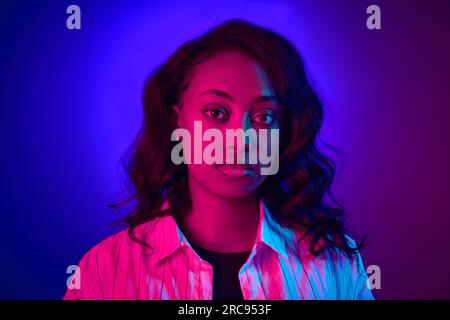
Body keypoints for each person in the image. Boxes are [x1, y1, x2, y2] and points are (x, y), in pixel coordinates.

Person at [63, 19, 374, 300]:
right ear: (178, 121)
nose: (241, 139)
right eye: (216, 113)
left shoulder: (335, 266)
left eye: (264, 116)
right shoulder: (103, 271)